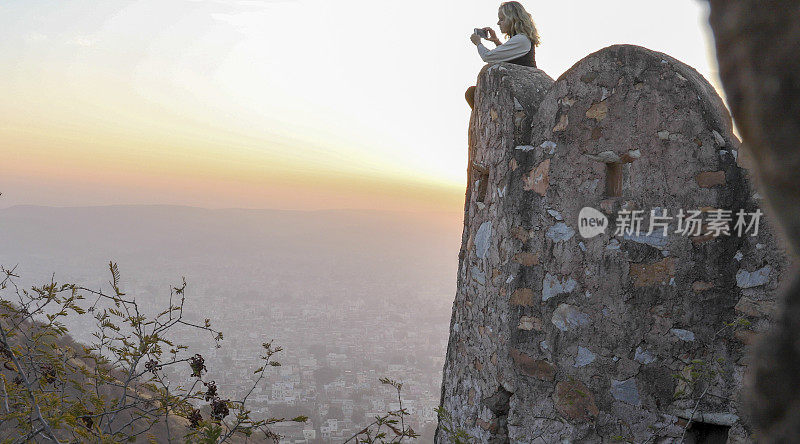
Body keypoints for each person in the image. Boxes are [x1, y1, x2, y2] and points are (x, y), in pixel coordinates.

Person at [466, 1, 540, 108]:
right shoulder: (521, 39)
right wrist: (496, 41)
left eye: (502, 19)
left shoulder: (521, 39)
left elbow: (488, 57)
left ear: (512, 19)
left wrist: (478, 43)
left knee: (471, 93)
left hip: (522, 90)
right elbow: (510, 55)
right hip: (519, 86)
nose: (498, 23)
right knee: (472, 92)